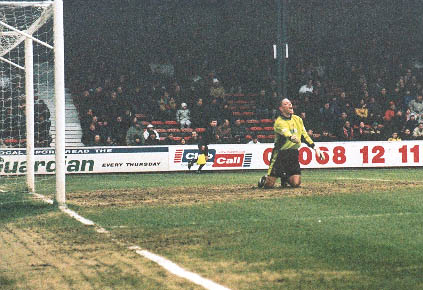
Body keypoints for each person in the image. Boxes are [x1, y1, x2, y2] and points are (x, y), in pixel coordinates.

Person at [258, 98, 324, 189]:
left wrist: (315, 147)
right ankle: (265, 179)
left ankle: (284, 177)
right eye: (286, 104)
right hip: (280, 154)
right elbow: (286, 133)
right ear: (281, 108)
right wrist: (292, 137)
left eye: (290, 103)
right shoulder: (279, 122)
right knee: (269, 185)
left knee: (296, 183)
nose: (289, 105)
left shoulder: (298, 119)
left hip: (293, 154)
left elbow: (304, 135)